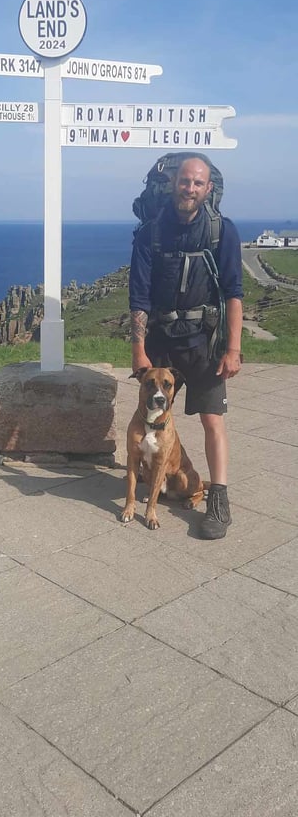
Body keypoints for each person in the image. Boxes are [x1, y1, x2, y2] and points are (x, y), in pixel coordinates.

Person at [129, 156, 243, 540]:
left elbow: (234, 293)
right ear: (173, 183)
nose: (189, 189)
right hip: (161, 343)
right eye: (184, 181)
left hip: (206, 344)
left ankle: (218, 500)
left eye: (198, 183)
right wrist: (139, 350)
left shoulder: (222, 232)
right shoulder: (151, 233)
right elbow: (139, 297)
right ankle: (148, 471)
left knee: (213, 421)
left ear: (208, 188)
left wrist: (233, 349)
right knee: (148, 418)